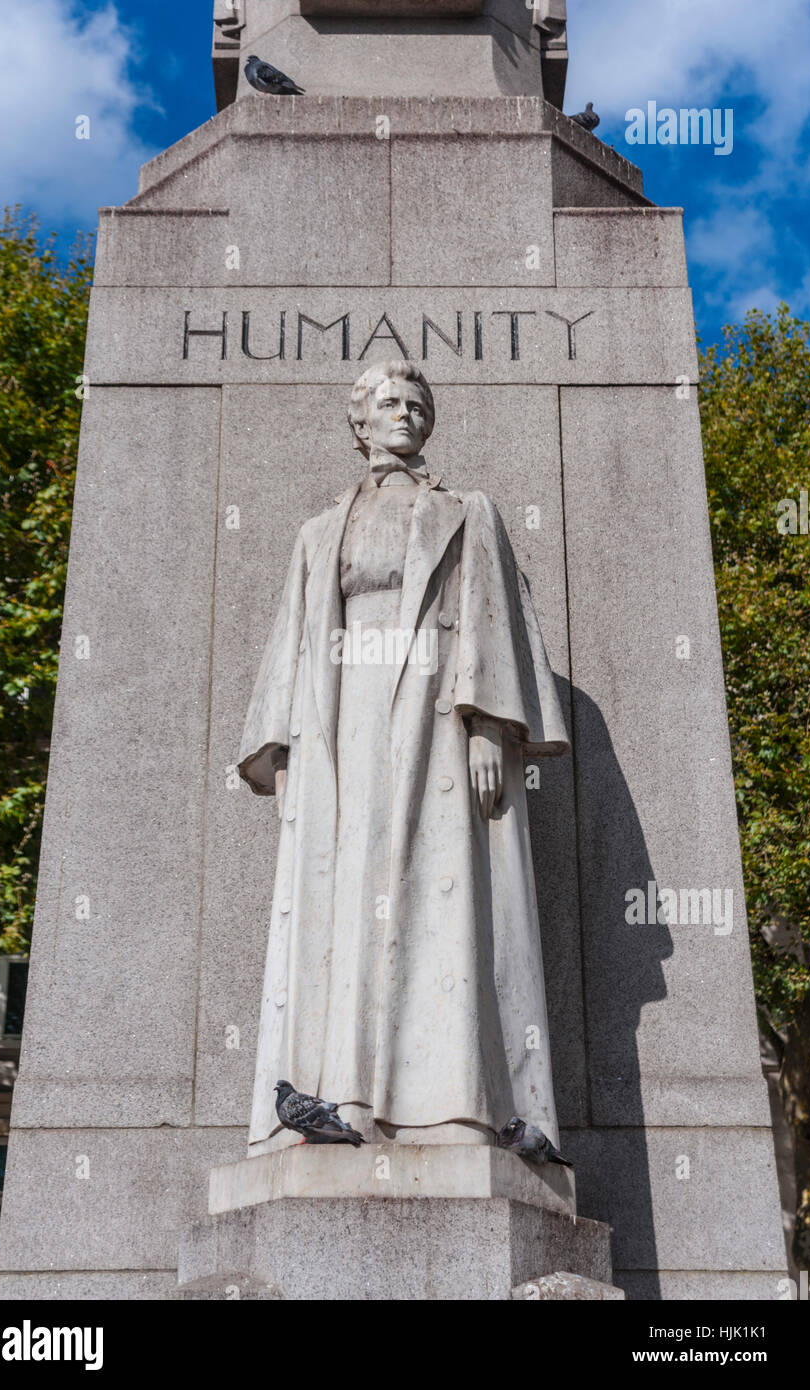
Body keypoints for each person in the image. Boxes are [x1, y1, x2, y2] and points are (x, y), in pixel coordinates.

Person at [238, 360, 569, 1152]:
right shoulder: (320, 532)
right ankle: (337, 1100)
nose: (405, 415)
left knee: (441, 900)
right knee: (344, 905)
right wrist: (281, 751)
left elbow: (493, 618)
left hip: (435, 716)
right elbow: (292, 641)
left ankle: (454, 1105)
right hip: (343, 725)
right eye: (389, 403)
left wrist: (490, 723)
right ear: (359, 423)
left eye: (417, 404)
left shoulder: (469, 512)